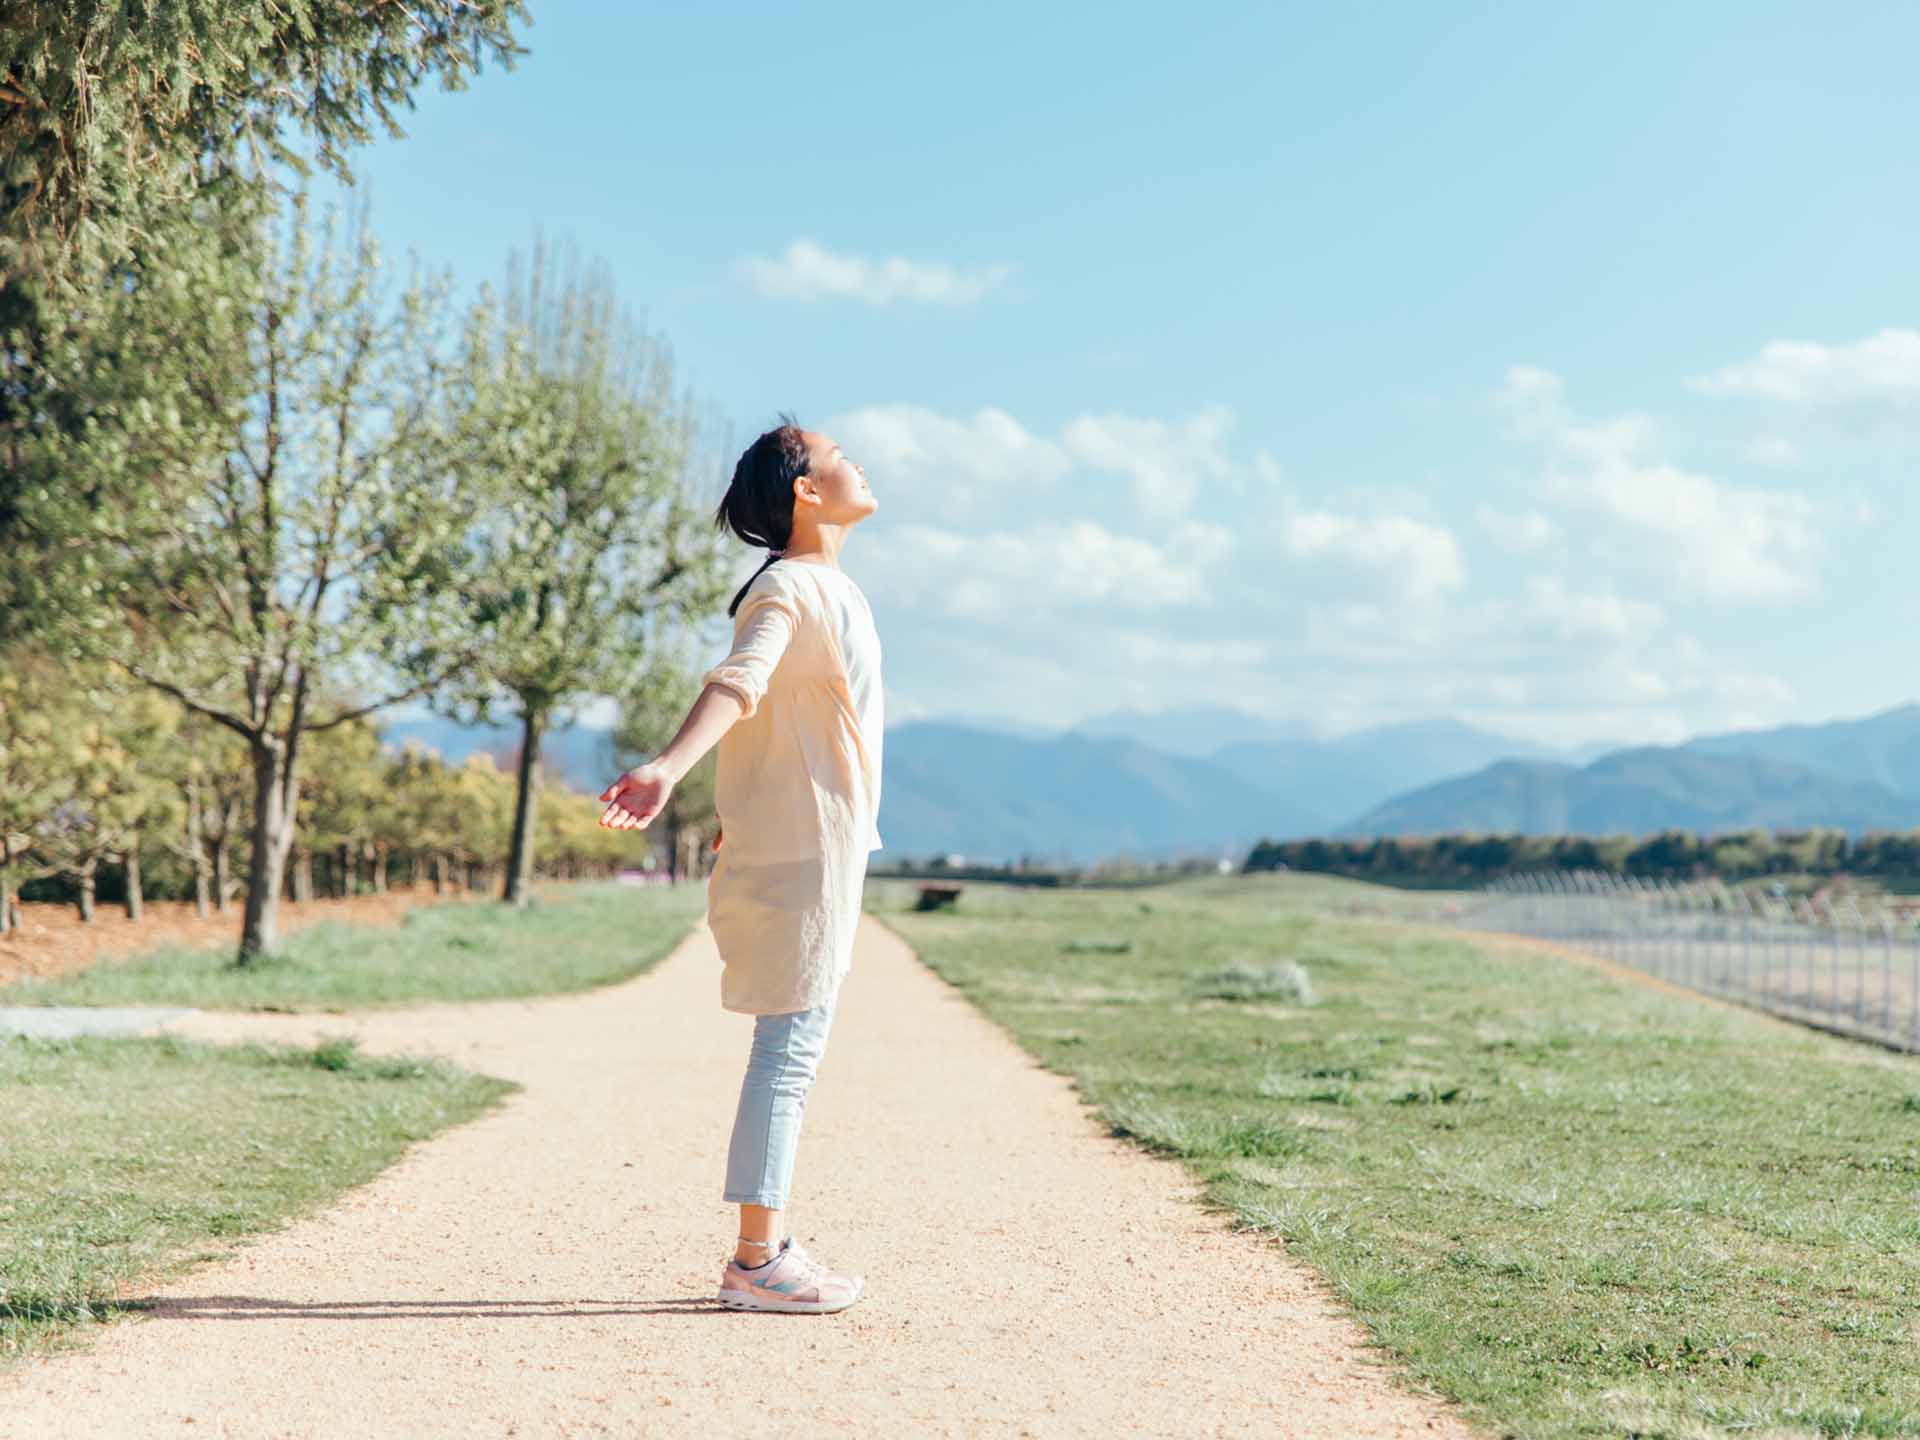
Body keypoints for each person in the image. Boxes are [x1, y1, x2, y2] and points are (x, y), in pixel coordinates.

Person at [598, 414, 882, 1315]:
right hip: (802, 851)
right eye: (840, 457)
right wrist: (666, 767)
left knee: (792, 1046)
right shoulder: (790, 591)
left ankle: (765, 1249)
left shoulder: (829, 590)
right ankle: (757, 1261)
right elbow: (738, 682)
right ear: (806, 490)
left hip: (817, 845)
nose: (857, 463)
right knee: (788, 1050)